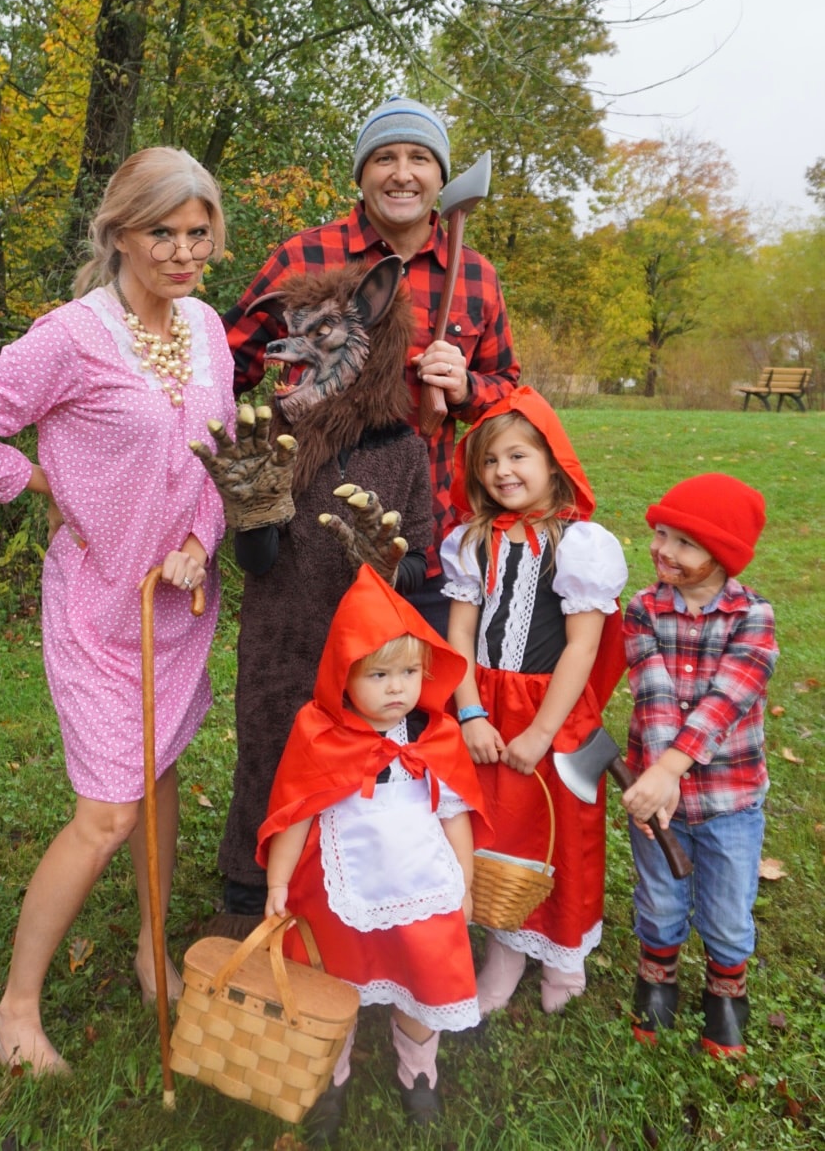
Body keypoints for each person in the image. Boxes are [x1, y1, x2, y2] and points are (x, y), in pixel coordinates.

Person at [0, 147, 236, 1075]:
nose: (182, 252)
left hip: (175, 603)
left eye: (197, 233)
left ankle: (149, 948)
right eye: (161, 233)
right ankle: (14, 1011)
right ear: (120, 235)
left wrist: (199, 541)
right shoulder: (73, 336)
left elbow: (220, 455)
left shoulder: (208, 328)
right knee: (107, 813)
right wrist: (36, 479)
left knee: (163, 769)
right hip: (98, 605)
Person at [222, 96, 520, 636]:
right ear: (362, 174)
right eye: (384, 158)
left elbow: (507, 392)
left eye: (419, 158)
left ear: (440, 175)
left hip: (421, 542)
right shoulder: (303, 258)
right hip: (307, 540)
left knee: (415, 704)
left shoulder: (475, 275)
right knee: (299, 703)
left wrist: (465, 387)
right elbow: (223, 364)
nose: (401, 174)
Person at [199, 258, 434, 925]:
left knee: (357, 775)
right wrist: (252, 512)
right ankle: (249, 892)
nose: (290, 350)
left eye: (320, 333)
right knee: (269, 759)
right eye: (294, 333)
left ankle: (341, 894)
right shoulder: (275, 430)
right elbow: (259, 559)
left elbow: (417, 563)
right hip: (281, 641)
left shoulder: (402, 451)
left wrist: (385, 565)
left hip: (368, 655)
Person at [257, 565, 490, 1142]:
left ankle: (418, 1074)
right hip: (340, 893)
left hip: (421, 886)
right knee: (333, 986)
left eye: (410, 672)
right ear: (343, 675)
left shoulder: (434, 734)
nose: (397, 688)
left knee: (421, 982)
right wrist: (277, 886)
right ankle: (328, 1080)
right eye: (379, 674)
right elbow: (296, 811)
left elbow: (455, 814)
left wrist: (464, 883)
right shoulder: (320, 734)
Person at [441, 386, 628, 1015]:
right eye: (490, 462)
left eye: (518, 456)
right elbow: (460, 632)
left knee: (559, 831)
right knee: (498, 823)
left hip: (553, 711)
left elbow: (582, 648)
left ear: (553, 462)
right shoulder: (473, 542)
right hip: (488, 703)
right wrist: (469, 711)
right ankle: (506, 946)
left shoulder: (579, 546)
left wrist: (542, 733)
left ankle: (563, 952)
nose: (503, 472)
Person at [621, 474, 778, 1056]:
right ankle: (658, 977)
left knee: (728, 905)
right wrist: (660, 782)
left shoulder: (753, 616)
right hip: (658, 797)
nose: (664, 550)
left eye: (685, 542)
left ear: (723, 554)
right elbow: (653, 693)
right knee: (659, 897)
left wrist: (669, 771)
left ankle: (726, 989)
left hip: (729, 799)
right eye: (661, 534)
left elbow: (726, 703)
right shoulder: (642, 610)